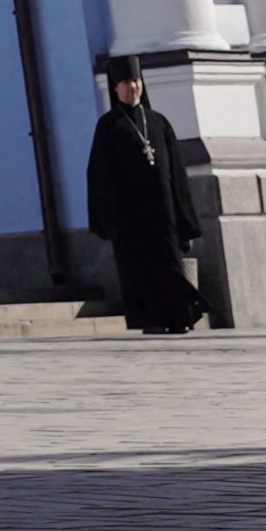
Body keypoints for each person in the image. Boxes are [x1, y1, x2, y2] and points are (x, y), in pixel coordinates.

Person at [85, 60, 206, 332]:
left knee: (171, 265)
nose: (133, 87)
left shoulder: (158, 122)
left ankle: (180, 319)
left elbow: (177, 171)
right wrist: (112, 218)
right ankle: (151, 320)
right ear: (115, 88)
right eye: (126, 82)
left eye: (136, 81)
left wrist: (184, 216)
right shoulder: (108, 127)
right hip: (131, 218)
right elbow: (100, 175)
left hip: (164, 213)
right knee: (140, 270)